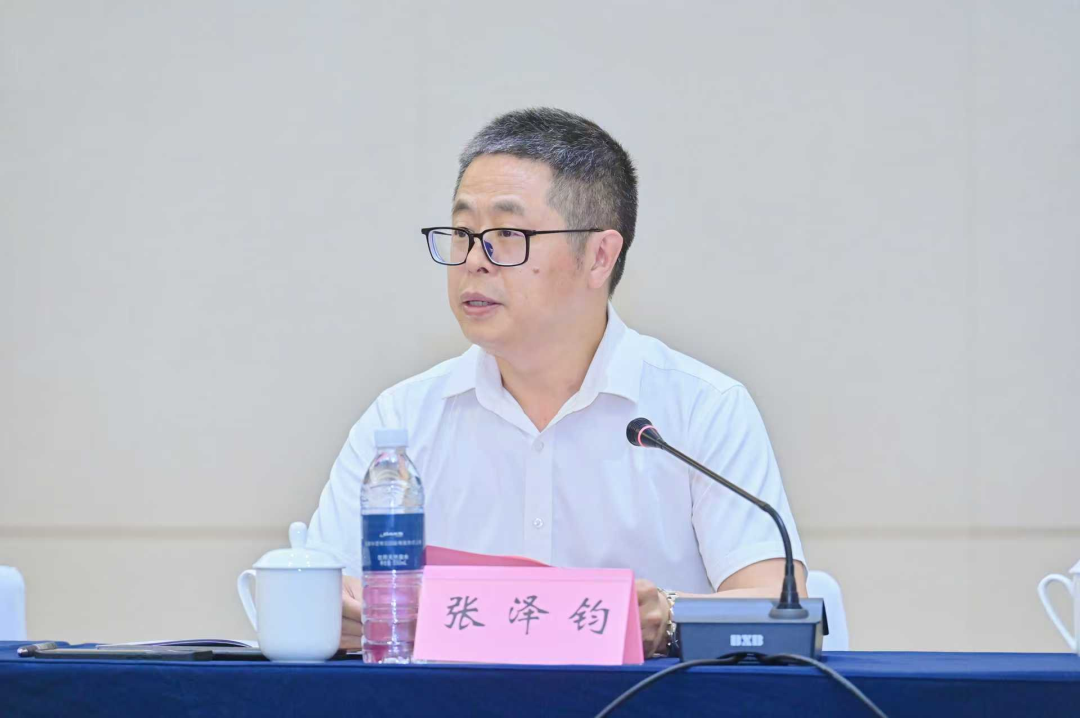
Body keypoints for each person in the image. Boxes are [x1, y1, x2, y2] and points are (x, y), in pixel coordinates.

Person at [307, 107, 807, 657]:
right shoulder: (401, 420)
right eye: (463, 233)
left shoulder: (700, 409)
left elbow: (778, 609)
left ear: (599, 256)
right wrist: (335, 614)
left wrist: (668, 617)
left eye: (507, 234)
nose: (474, 261)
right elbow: (320, 592)